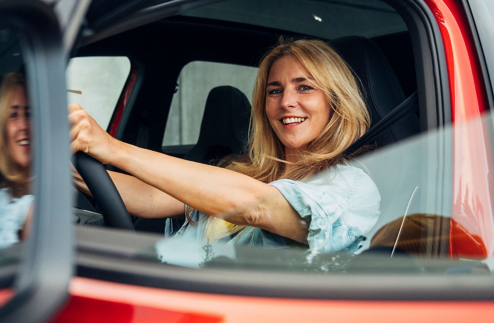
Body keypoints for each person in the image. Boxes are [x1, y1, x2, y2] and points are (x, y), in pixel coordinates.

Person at [69, 38, 381, 253]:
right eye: (275, 91)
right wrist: (57, 164)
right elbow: (150, 195)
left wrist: (111, 147)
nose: (286, 102)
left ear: (336, 101)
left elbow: (258, 207)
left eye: (305, 87)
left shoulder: (351, 188)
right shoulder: (246, 173)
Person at [0, 72, 33, 248]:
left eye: (29, 114)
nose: (23, 126)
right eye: (14, 116)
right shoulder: (9, 203)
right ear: (2, 130)